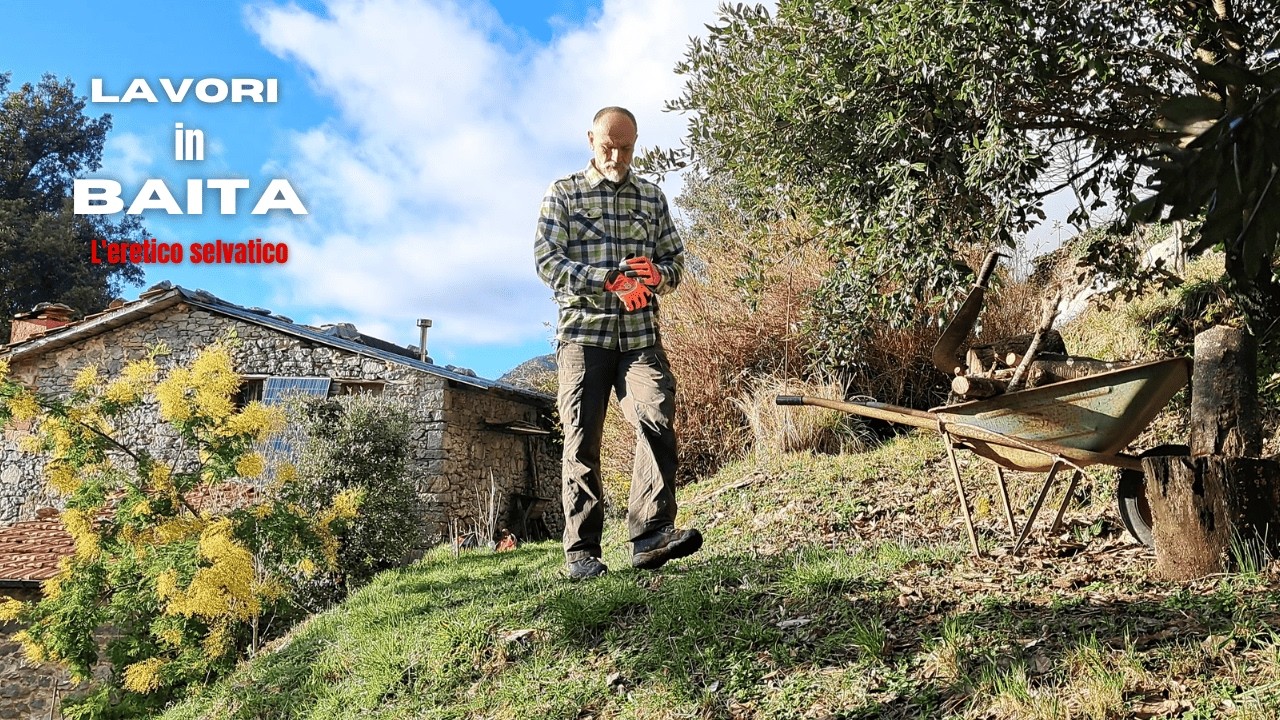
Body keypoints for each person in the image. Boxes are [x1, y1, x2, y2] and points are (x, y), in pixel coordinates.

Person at [534, 106, 702, 580]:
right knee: (582, 440)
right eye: (609, 146)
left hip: (640, 338)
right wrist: (608, 280)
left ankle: (650, 536)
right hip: (583, 338)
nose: (617, 156)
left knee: (655, 414)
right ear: (591, 140)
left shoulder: (651, 198)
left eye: (626, 147)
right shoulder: (562, 194)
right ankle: (582, 553)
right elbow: (547, 261)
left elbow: (674, 261)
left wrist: (660, 275)